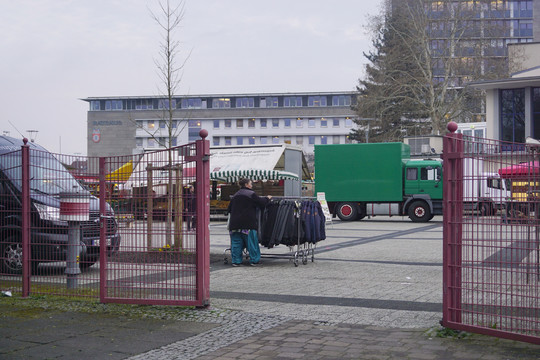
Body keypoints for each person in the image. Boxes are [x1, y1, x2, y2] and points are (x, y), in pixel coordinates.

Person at [227, 178, 271, 266]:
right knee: (251, 243)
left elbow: (229, 209)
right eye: (251, 183)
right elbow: (261, 203)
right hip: (247, 224)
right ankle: (254, 260)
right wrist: (267, 198)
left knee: (236, 243)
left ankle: (236, 261)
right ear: (247, 184)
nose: (252, 185)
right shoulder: (251, 194)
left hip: (234, 224)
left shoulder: (235, 195)